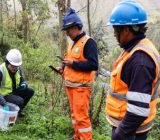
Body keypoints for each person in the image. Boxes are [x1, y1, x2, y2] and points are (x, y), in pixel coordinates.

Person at [105, 1, 160, 140]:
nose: (114, 34)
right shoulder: (136, 48)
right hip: (129, 129)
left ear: (126, 30)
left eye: (115, 30)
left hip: (130, 132)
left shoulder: (140, 61)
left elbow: (138, 111)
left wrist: (120, 134)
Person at [57, 8, 98, 140]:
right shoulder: (73, 43)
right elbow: (70, 60)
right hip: (71, 86)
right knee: (75, 115)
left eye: (68, 30)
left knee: (81, 117)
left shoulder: (88, 42)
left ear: (75, 27)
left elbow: (93, 65)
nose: (67, 33)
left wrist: (73, 64)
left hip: (81, 87)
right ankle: (77, 137)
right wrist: (63, 68)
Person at [0, 49, 34, 117]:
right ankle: (13, 110)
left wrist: (24, 84)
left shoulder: (18, 68)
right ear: (7, 62)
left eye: (17, 66)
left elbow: (22, 79)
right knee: (20, 101)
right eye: (13, 66)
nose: (15, 68)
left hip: (13, 92)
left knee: (30, 91)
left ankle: (19, 110)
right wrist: (4, 103)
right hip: (3, 96)